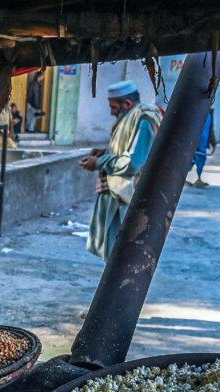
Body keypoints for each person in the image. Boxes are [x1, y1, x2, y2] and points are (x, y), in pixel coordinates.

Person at [80, 79, 162, 261]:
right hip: (117, 195)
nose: (111, 112)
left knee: (120, 255)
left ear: (127, 103)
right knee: (112, 251)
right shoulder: (130, 117)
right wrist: (105, 153)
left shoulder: (143, 120)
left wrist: (100, 162)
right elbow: (126, 149)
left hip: (127, 197)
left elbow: (133, 163)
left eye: (114, 107)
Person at [189, 109, 217, 188]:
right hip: (193, 141)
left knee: (201, 159)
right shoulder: (195, 109)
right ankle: (182, 178)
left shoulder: (209, 113)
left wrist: (213, 141)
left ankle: (199, 178)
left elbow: (211, 128)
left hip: (203, 142)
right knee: (190, 159)